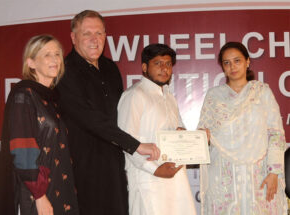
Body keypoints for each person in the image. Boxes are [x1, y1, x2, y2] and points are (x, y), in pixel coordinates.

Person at [56, 10, 159, 215]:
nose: (95, 40)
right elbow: (91, 119)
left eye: (100, 33)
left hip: (114, 164)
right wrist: (136, 145)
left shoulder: (110, 67)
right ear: (73, 37)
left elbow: (119, 115)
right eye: (87, 34)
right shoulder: (65, 71)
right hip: (83, 167)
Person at [198, 41, 287, 214]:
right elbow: (203, 134)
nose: (232, 66)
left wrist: (274, 172)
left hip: (259, 173)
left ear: (247, 62)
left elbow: (275, 134)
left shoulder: (262, 92)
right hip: (224, 174)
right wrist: (202, 138)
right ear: (222, 67)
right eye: (227, 62)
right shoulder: (214, 96)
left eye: (237, 60)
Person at [0, 35, 79, 215]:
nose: (55, 59)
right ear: (31, 63)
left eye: (57, 54)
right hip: (37, 192)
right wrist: (40, 197)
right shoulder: (24, 96)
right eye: (47, 55)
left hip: (61, 186)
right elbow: (23, 151)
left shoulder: (52, 98)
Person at [117, 43, 197, 215]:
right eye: (158, 63)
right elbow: (126, 141)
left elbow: (180, 128)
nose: (164, 68)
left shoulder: (169, 97)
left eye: (168, 64)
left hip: (175, 178)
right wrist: (155, 169)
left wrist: (185, 135)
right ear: (145, 67)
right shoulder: (134, 95)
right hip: (149, 179)